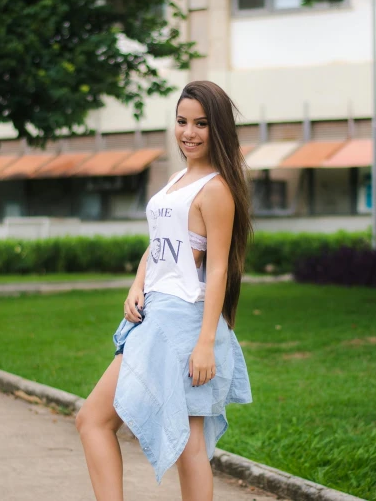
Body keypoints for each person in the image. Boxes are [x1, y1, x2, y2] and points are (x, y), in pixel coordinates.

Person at [75, 81, 253, 500]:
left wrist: (206, 342)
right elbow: (158, 246)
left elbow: (220, 267)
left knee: (97, 420)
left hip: (181, 322)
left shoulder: (215, 189)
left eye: (201, 124)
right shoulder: (177, 179)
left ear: (218, 129)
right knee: (183, 444)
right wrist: (137, 285)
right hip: (155, 314)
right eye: (182, 121)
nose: (189, 132)